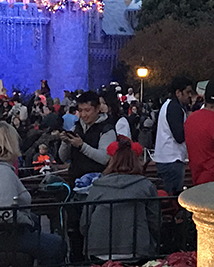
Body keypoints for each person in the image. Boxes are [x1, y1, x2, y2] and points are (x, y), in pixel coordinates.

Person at [80, 138, 160, 261]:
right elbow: (155, 222)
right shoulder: (146, 186)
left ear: (111, 161)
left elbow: (84, 223)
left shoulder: (97, 187)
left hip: (99, 249)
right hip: (136, 249)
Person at [0, 122, 66, 266]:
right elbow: (7, 213)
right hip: (8, 235)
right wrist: (27, 220)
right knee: (56, 244)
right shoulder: (3, 172)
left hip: (11, 232)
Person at [58, 90, 116, 183]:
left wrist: (82, 146)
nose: (83, 115)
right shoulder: (76, 127)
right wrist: (65, 143)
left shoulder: (107, 130)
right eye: (80, 110)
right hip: (75, 181)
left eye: (87, 110)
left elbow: (105, 158)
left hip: (98, 183)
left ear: (97, 109)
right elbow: (63, 158)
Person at [153, 75, 194, 195]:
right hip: (172, 159)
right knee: (174, 198)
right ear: (178, 92)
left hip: (166, 158)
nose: (190, 95)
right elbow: (179, 136)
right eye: (188, 92)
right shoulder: (175, 108)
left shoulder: (167, 105)